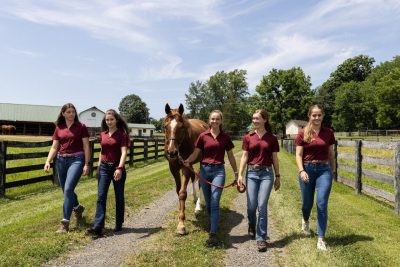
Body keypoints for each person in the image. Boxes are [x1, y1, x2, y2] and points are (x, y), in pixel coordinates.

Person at [183, 110, 238, 247]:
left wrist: (236, 172)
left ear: (221, 121)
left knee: (214, 201)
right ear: (209, 120)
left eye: (217, 119)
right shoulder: (203, 136)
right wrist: (187, 161)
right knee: (208, 203)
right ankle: (213, 222)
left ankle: (213, 234)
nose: (215, 121)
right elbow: (196, 153)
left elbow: (230, 156)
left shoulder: (225, 137)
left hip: (219, 171)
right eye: (212, 119)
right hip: (204, 171)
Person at [237, 109, 280, 252]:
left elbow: (275, 158)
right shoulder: (248, 137)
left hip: (267, 174)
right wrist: (240, 175)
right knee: (251, 205)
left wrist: (278, 176)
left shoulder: (272, 138)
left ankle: (261, 237)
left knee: (262, 205)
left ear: (265, 120)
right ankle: (251, 223)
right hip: (252, 174)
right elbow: (244, 157)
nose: (254, 121)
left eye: (257, 118)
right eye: (253, 118)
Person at [44, 103, 90, 233]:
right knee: (66, 190)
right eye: (68, 112)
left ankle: (65, 222)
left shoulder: (81, 127)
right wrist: (48, 161)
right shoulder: (59, 128)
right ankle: (77, 207)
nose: (71, 114)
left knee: (69, 188)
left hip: (77, 159)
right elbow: (54, 147)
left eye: (73, 112)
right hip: (61, 160)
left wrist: (87, 163)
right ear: (63, 113)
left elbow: (86, 146)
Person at [295, 104, 335, 251]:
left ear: (323, 116)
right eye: (314, 115)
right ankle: (305, 220)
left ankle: (321, 239)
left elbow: (330, 153)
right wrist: (301, 170)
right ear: (309, 116)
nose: (316, 117)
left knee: (322, 203)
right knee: (307, 203)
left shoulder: (328, 133)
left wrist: (333, 170)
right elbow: (298, 155)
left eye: (319, 115)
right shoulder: (302, 133)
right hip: (307, 170)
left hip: (324, 170)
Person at [88, 109, 130, 235]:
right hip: (104, 168)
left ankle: (118, 223)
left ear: (116, 120)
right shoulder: (103, 134)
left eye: (111, 119)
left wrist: (120, 168)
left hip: (117, 168)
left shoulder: (122, 135)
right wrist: (99, 167)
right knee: (101, 197)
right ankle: (98, 226)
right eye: (107, 120)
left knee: (119, 197)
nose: (109, 122)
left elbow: (124, 153)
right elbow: (102, 152)